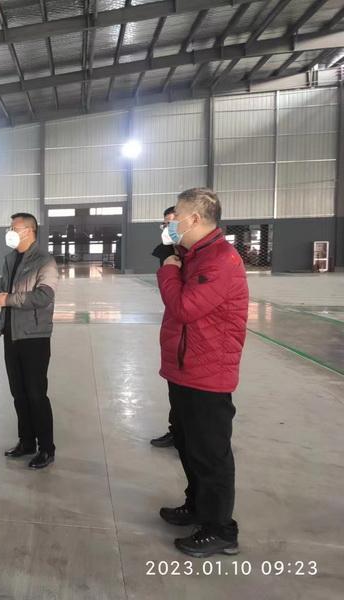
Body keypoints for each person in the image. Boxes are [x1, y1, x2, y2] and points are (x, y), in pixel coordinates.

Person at [156, 188, 248, 558]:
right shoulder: (193, 255)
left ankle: (220, 529)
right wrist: (174, 263)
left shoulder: (220, 259)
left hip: (207, 373)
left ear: (194, 218)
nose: (172, 222)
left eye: (176, 216)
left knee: (210, 454)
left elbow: (184, 307)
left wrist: (168, 270)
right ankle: (197, 506)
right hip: (185, 368)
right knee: (188, 444)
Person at [0, 213, 58, 470]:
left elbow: (44, 296)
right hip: (11, 334)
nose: (9, 231)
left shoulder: (45, 261)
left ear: (29, 231)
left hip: (34, 336)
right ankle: (26, 442)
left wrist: (9, 299)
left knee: (35, 394)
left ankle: (46, 448)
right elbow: (0, 286)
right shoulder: (10, 259)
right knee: (18, 393)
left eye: (14, 227)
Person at [150, 206, 178, 449]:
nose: (168, 228)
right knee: (177, 389)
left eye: (172, 222)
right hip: (176, 334)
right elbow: (170, 298)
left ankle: (199, 441)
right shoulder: (167, 253)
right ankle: (177, 431)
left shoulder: (208, 257)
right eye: (165, 224)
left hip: (203, 340)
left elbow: (186, 304)